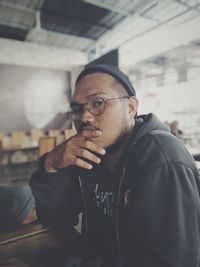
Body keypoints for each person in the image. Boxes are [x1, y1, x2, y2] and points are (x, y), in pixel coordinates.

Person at [30, 64, 200, 267]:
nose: (85, 117)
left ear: (130, 107)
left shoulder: (161, 158)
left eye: (98, 102)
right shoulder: (92, 153)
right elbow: (55, 219)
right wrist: (51, 165)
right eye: (77, 109)